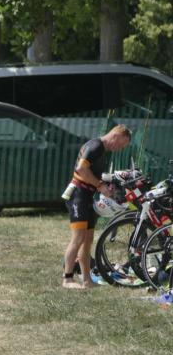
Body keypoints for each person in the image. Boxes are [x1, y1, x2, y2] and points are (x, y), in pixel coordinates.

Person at [62, 124, 132, 289]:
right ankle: (67, 279)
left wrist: (108, 183)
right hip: (78, 196)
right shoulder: (95, 146)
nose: (120, 148)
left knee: (87, 240)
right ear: (115, 135)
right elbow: (81, 169)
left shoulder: (103, 150)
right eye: (121, 144)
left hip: (87, 197)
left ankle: (87, 280)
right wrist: (100, 186)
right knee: (78, 238)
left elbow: (94, 173)